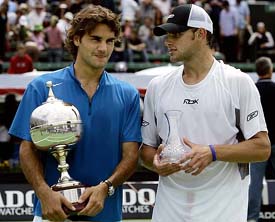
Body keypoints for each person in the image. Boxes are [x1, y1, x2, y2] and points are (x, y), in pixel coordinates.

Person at [9, 5, 141, 222]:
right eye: (95, 39)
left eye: (110, 41)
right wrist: (44, 193)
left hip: (106, 214)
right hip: (53, 214)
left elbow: (131, 155)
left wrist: (106, 187)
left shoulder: (128, 95)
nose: (103, 48)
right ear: (77, 39)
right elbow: (27, 149)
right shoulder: (41, 87)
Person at [140, 4, 271, 222]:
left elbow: (262, 148)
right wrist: (155, 163)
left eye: (177, 34)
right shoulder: (157, 86)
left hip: (223, 211)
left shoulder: (237, 82)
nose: (168, 41)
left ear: (200, 34)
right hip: (168, 210)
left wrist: (212, 152)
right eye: (167, 34)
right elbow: (146, 150)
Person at [247, 57, 275, 222]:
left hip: (257, 143)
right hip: (272, 143)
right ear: (270, 70)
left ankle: (252, 218)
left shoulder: (252, 90)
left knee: (255, 184)